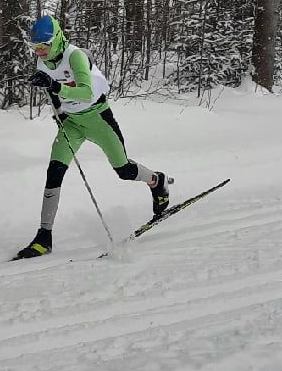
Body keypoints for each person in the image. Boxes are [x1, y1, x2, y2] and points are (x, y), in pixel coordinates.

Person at [15, 14, 171, 258]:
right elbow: (52, 94)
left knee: (124, 170)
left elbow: (86, 92)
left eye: (43, 46)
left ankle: (157, 181)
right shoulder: (43, 62)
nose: (40, 52)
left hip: (98, 119)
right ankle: (44, 237)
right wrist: (60, 114)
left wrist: (54, 86)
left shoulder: (74, 56)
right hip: (72, 124)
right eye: (35, 47)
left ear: (56, 40)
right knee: (54, 171)